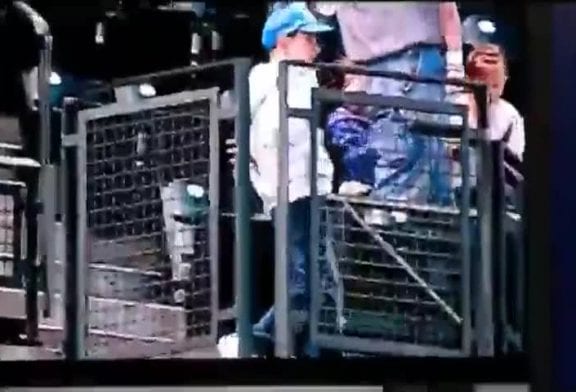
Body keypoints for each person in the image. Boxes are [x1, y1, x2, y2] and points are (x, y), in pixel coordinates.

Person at [218, 3, 336, 358]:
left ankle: (309, 350)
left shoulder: (305, 78)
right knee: (301, 281)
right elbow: (258, 136)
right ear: (285, 40)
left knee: (320, 282)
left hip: (311, 188)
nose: (317, 47)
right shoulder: (264, 77)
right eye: (309, 38)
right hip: (289, 190)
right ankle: (250, 339)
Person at [312, 2, 466, 206]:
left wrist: (455, 64)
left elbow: (446, 7)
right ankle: (401, 226)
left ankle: (400, 228)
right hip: (382, 65)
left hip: (410, 60)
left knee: (412, 161)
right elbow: (324, 8)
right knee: (415, 160)